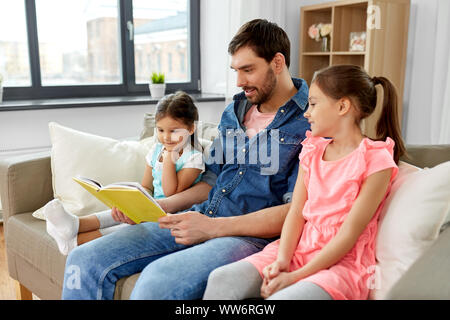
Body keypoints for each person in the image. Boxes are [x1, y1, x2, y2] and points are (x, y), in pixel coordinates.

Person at [61, 18, 310, 300]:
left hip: (248, 238)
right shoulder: (235, 111)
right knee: (84, 258)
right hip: (201, 215)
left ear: (277, 62)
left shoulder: (310, 121)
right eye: (236, 71)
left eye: (248, 70)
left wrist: (213, 229)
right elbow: (210, 182)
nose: (240, 82)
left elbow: (295, 212)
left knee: (157, 282)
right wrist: (153, 207)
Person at [203, 64, 405, 300]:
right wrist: (282, 261)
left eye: (314, 104)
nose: (306, 113)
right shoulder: (312, 149)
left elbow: (349, 234)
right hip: (297, 247)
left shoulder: (375, 159)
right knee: (223, 280)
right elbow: (296, 212)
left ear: (342, 106)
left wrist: (296, 277)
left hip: (341, 265)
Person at [43, 91, 205, 256]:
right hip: (152, 207)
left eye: (174, 131)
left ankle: (75, 242)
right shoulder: (156, 151)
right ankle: (75, 225)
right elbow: (146, 186)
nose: (166, 137)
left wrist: (170, 158)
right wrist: (131, 202)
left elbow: (171, 191)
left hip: (172, 215)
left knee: (126, 229)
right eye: (161, 130)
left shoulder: (194, 158)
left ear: (191, 128)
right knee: (119, 213)